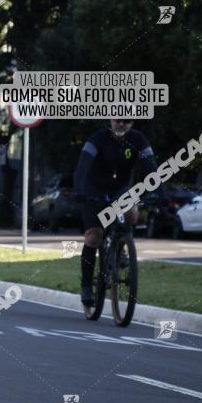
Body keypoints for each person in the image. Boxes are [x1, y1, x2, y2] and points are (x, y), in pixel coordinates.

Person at [73, 119, 157, 305]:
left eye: (127, 122)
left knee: (132, 213)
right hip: (93, 190)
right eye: (118, 120)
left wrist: (159, 192)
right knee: (94, 237)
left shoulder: (138, 140)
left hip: (120, 190)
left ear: (132, 123)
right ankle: (87, 286)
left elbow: (152, 168)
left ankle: (122, 245)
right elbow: (83, 166)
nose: (122, 124)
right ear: (110, 120)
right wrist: (79, 191)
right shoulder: (97, 139)